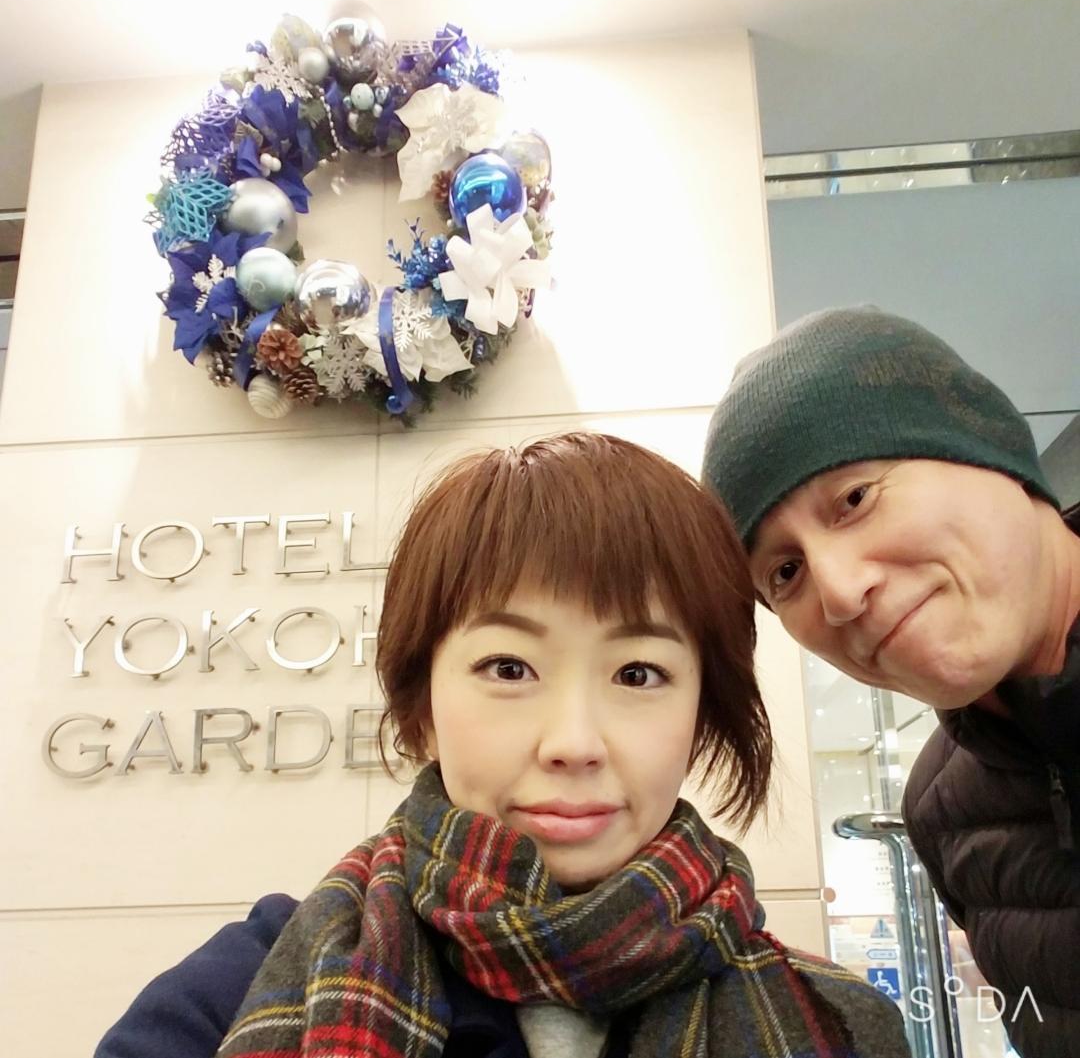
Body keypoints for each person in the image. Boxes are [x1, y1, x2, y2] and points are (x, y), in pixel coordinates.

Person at [95, 431, 909, 1058]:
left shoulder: (840, 1026)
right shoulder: (236, 993)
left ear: (701, 711)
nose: (573, 742)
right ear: (422, 700)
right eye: (509, 667)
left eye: (637, 672)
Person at [701, 306, 1080, 1058]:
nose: (839, 593)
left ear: (986, 445)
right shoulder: (944, 808)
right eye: (786, 572)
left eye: (854, 499)